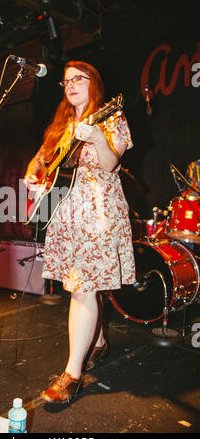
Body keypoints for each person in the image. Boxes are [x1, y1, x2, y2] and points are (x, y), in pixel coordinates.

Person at [24, 60, 136, 404]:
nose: (70, 84)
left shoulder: (111, 116)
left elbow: (110, 163)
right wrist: (32, 176)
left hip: (98, 210)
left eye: (78, 79)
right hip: (65, 212)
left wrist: (98, 137)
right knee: (84, 284)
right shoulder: (62, 123)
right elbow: (41, 158)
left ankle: (72, 374)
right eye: (66, 81)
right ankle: (99, 341)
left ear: (94, 84)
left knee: (81, 289)